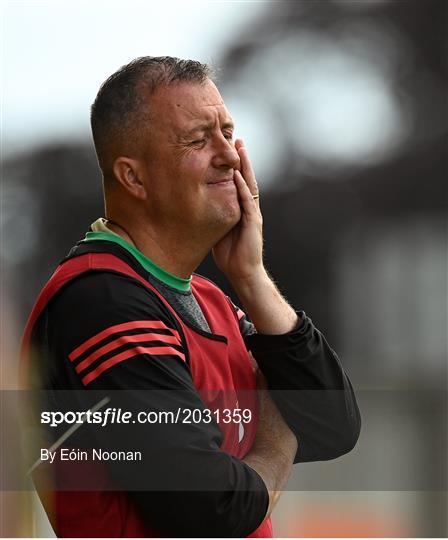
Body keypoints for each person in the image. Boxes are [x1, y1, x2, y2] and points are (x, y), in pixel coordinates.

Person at [21, 56, 360, 538]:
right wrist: (277, 434)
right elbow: (211, 509)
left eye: (228, 131)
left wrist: (252, 278)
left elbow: (334, 427)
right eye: (198, 140)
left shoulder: (212, 298)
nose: (229, 155)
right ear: (133, 178)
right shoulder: (102, 302)